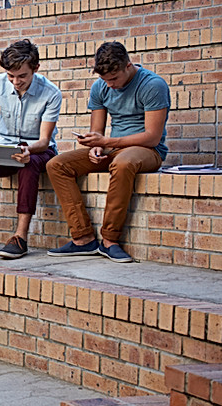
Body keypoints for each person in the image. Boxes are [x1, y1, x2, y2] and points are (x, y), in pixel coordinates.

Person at [46, 41, 170, 263]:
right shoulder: (100, 86)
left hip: (147, 151)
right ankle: (83, 238)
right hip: (113, 148)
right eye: (105, 80)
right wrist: (95, 146)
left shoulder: (153, 85)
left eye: (114, 79)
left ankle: (110, 240)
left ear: (128, 66)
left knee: (122, 163)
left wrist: (108, 141)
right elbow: (98, 131)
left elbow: (153, 136)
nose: (110, 85)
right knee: (56, 165)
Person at [0, 39, 62, 259]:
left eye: (22, 76)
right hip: (6, 144)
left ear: (36, 68)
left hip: (38, 149)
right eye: (10, 76)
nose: (15, 81)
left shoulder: (51, 93)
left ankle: (20, 237)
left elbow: (44, 140)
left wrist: (28, 151)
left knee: (28, 166)